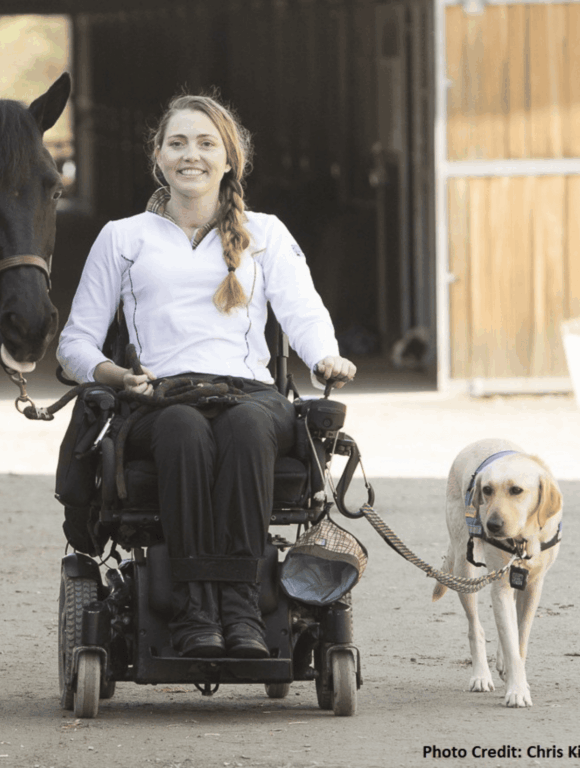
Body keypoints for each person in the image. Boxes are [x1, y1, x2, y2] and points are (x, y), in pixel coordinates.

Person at [57, 93, 356, 660]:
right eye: (177, 143)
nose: (190, 155)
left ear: (229, 159)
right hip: (158, 400)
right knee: (183, 431)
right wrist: (116, 375)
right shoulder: (123, 238)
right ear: (158, 156)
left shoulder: (264, 232)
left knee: (246, 427)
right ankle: (195, 610)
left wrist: (325, 356)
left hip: (251, 395)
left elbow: (304, 312)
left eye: (205, 143)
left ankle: (242, 608)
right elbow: (74, 343)